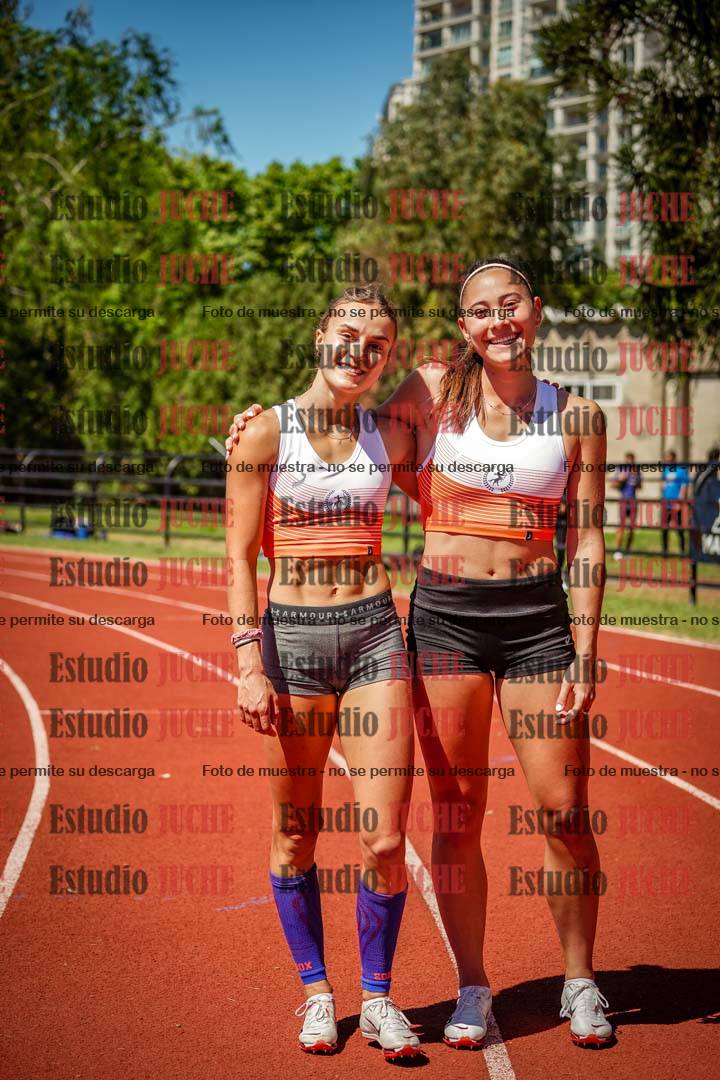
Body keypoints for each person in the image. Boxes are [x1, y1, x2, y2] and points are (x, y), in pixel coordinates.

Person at [227, 257, 612, 1050]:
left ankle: (577, 981)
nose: (498, 320)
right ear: (463, 326)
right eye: (482, 310)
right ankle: (459, 986)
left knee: (560, 811)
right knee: (444, 814)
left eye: (511, 304)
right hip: (436, 622)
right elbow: (336, 444)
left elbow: (582, 536)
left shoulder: (574, 415)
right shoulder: (430, 390)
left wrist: (586, 645)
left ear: (536, 310)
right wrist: (255, 428)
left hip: (522, 624)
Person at [225, 285, 422, 1061]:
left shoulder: (389, 433)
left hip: (375, 634)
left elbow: (458, 387)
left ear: (388, 359)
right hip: (293, 644)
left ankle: (378, 997)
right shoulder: (265, 431)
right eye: (348, 335)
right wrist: (248, 661)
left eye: (377, 345)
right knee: (294, 832)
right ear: (319, 336)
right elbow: (239, 557)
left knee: (385, 839)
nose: (359, 353)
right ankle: (316, 991)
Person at [613, 451, 642, 558]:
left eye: (631, 459)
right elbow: (613, 485)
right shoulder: (621, 470)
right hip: (623, 500)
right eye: (628, 459)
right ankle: (618, 550)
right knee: (621, 526)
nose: (630, 461)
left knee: (631, 528)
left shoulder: (636, 471)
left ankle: (627, 551)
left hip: (633, 501)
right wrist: (621, 480)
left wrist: (636, 479)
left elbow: (640, 487)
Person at [660, 449, 689, 555]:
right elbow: (662, 484)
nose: (667, 459)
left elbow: (684, 487)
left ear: (673, 458)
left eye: (669, 457)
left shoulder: (681, 470)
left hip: (676, 503)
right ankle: (665, 552)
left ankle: (682, 551)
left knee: (679, 529)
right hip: (665, 503)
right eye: (666, 458)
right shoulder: (665, 470)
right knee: (664, 529)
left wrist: (679, 502)